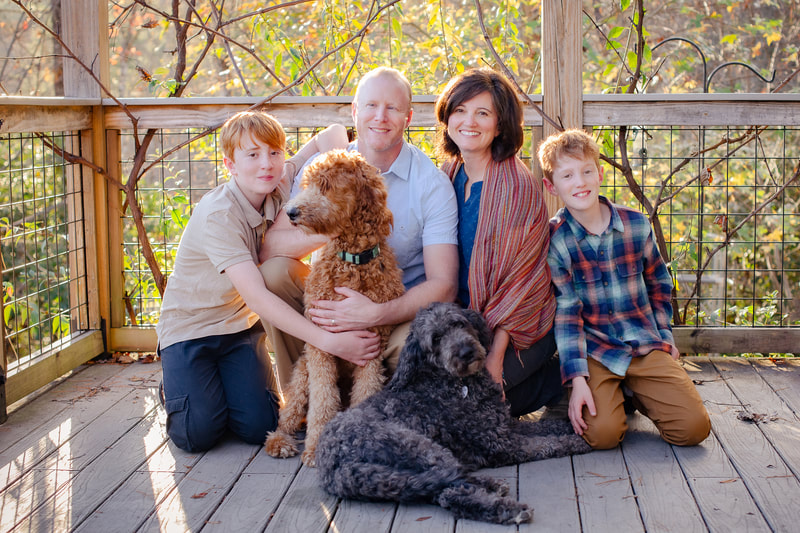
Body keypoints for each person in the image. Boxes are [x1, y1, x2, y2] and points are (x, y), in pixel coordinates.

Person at [156, 111, 381, 452]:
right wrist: (330, 343)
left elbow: (333, 133)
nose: (267, 164)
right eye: (253, 155)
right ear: (229, 164)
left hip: (238, 331)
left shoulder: (275, 182)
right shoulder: (220, 215)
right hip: (191, 332)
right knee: (197, 433)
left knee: (258, 424)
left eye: (274, 152)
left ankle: (216, 387)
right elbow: (259, 298)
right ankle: (176, 388)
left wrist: (348, 171)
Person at [261, 67, 459, 389]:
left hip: (392, 315)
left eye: (392, 108)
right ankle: (304, 398)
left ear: (407, 118)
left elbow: (444, 284)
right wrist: (337, 224)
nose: (380, 117)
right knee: (274, 274)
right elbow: (271, 246)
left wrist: (374, 315)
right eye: (370, 106)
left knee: (423, 335)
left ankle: (371, 404)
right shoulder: (323, 168)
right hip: (326, 306)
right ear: (355, 111)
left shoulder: (431, 185)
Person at [539, 128, 711, 449]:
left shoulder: (635, 224)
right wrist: (577, 380)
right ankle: (606, 394)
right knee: (603, 435)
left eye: (587, 171)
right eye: (568, 175)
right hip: (597, 352)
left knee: (693, 429)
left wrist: (665, 337)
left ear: (599, 173)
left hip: (644, 342)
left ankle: (639, 393)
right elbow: (567, 314)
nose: (580, 182)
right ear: (551, 186)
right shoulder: (557, 241)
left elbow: (659, 284)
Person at [433, 68, 563, 417]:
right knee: (433, 400)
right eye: (459, 110)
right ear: (447, 118)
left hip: (516, 327)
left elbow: (521, 283)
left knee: (472, 409)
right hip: (461, 321)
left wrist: (494, 360)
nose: (468, 121)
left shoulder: (516, 188)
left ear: (501, 124)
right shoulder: (448, 174)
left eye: (483, 113)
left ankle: (561, 378)